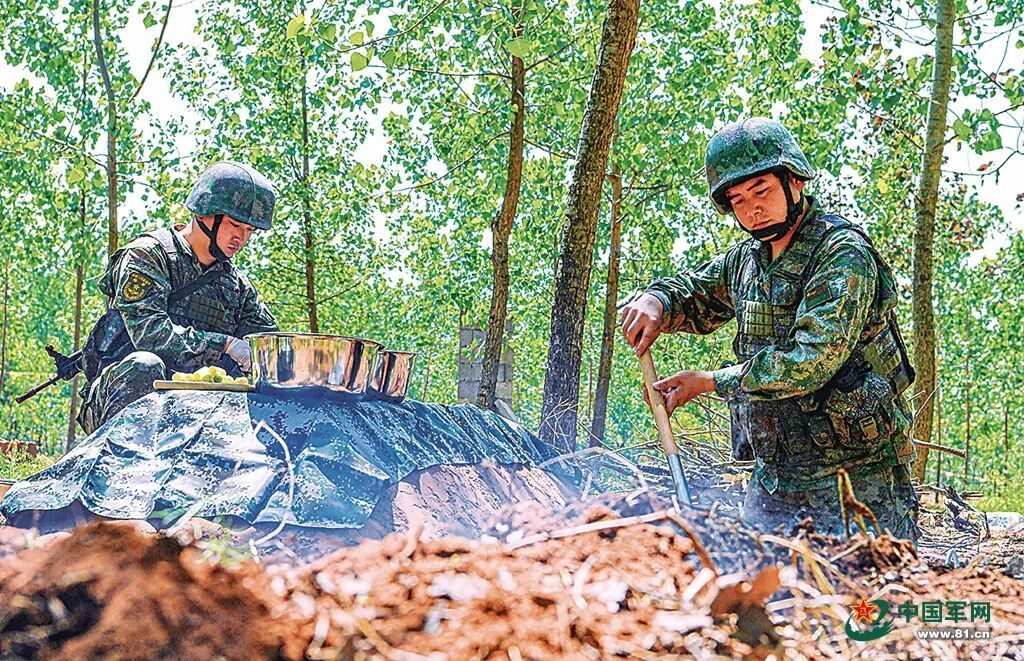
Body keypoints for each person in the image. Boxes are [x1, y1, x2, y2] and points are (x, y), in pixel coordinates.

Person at [620, 118, 921, 542]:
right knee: (754, 573)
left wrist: (710, 382)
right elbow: (694, 294)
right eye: (738, 199)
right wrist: (656, 301)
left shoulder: (841, 254)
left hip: (857, 479)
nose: (752, 209)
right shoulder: (747, 260)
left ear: (794, 181)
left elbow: (811, 359)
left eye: (761, 190)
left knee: (865, 581)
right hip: (775, 478)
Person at [77, 161, 279, 435]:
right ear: (205, 214)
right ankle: (117, 461)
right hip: (123, 395)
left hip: (196, 411)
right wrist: (226, 345)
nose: (242, 238)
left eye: (250, 230)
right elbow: (151, 336)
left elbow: (270, 345)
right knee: (145, 365)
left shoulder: (236, 285)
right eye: (235, 225)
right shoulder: (147, 256)